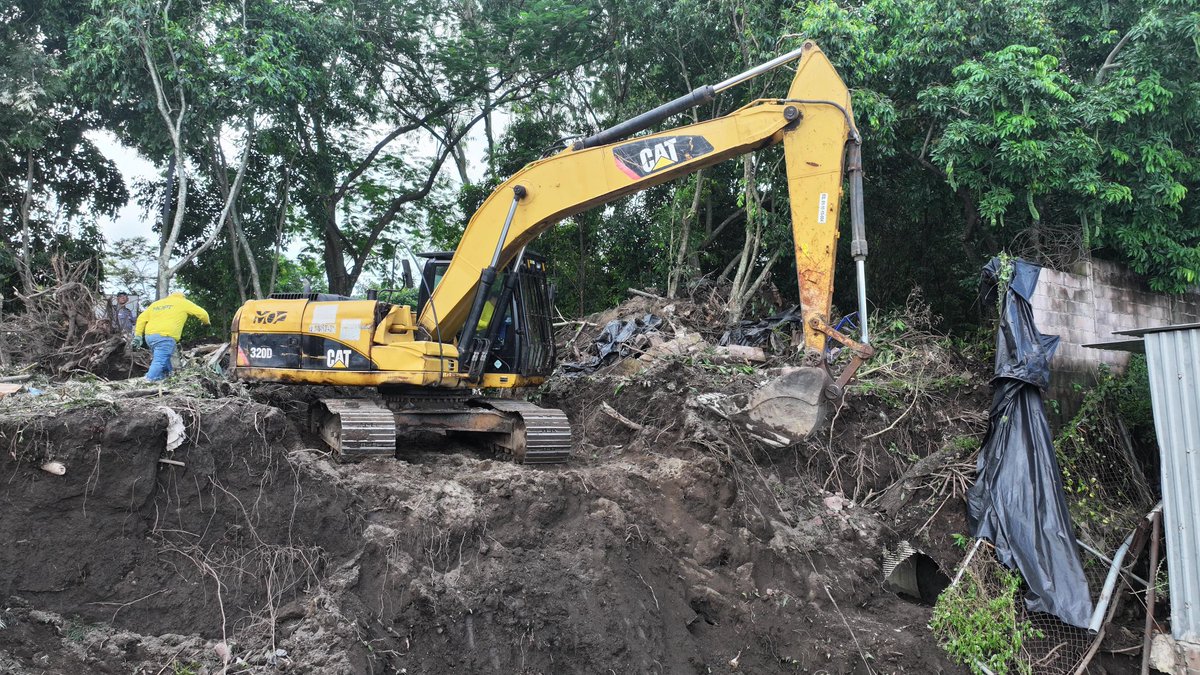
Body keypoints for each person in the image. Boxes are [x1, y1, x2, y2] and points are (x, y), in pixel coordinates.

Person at [133, 291, 210, 382]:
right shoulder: (183, 302)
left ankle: (167, 377)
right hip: (165, 336)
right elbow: (203, 314)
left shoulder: (157, 304)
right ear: (183, 297)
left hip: (150, 337)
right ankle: (148, 380)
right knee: (159, 361)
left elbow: (141, 318)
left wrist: (138, 335)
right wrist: (206, 323)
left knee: (164, 358)